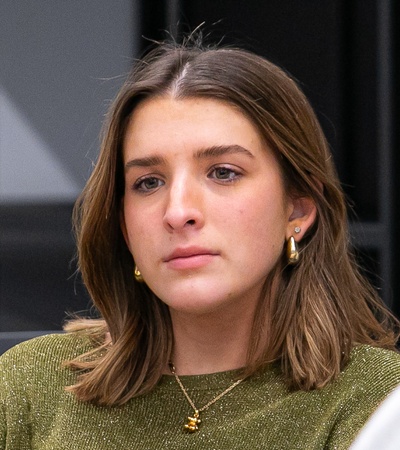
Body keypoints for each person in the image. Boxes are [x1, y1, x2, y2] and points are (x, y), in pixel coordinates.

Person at [1, 37, 400, 449]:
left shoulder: (380, 400)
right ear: (123, 224)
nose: (177, 212)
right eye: (148, 182)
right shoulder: (30, 386)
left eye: (223, 173)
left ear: (297, 211)